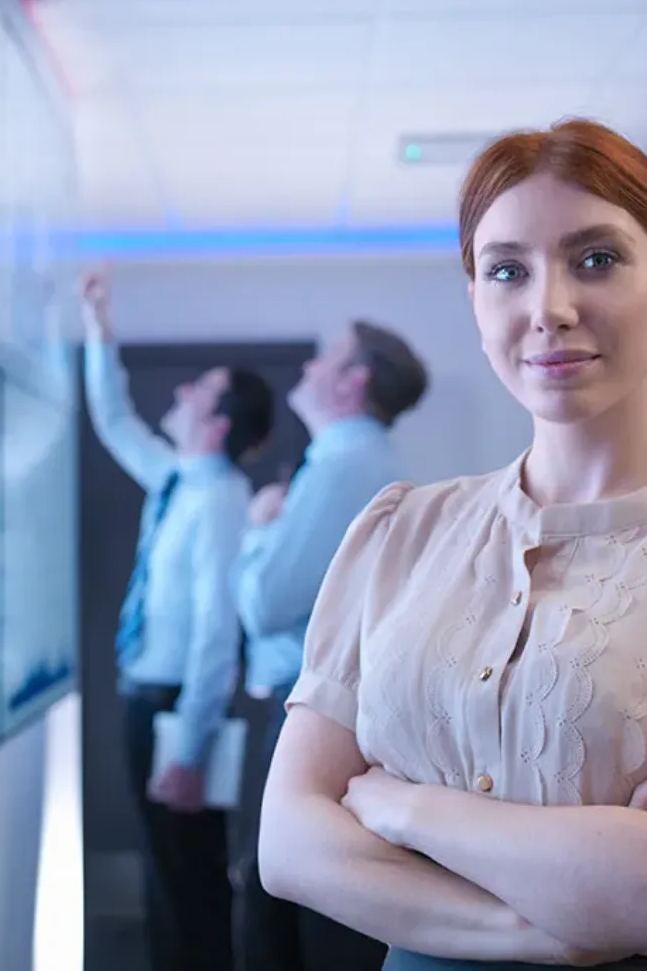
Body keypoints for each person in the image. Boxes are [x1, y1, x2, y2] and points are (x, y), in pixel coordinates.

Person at [256, 118, 647, 971]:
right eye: (507, 270)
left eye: (596, 260)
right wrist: (561, 921)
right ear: (477, 303)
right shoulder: (397, 533)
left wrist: (400, 808)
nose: (548, 308)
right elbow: (288, 845)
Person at [79, 266, 276, 971]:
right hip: (149, 704)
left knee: (185, 883)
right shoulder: (177, 481)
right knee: (169, 877)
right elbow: (114, 420)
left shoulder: (219, 501)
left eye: (200, 388)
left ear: (216, 421)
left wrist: (189, 751)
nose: (183, 391)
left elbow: (216, 640)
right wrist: (100, 328)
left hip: (174, 711)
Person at [236, 321, 430, 971]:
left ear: (355, 381)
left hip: (308, 711)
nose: (311, 368)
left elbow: (266, 603)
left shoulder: (344, 462)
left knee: (284, 914)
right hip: (315, 705)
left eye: (328, 359)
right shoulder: (350, 460)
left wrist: (259, 530)